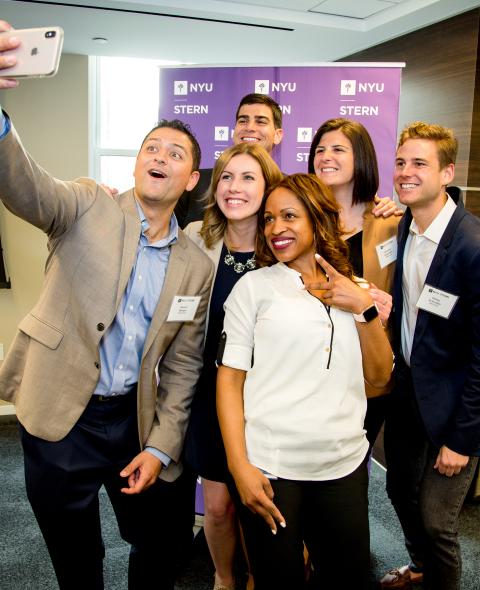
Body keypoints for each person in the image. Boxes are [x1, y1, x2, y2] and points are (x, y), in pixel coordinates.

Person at [0, 20, 214, 590]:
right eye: (151, 147)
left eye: (175, 153)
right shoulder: (89, 205)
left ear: (190, 178)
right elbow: (27, 187)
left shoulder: (195, 265)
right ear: (137, 161)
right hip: (60, 414)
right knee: (75, 554)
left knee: (161, 542)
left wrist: (160, 445)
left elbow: (184, 365)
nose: (159, 156)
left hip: (132, 421)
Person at [217, 173, 394, 590]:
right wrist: (239, 465)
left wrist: (364, 307)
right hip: (272, 470)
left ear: (318, 218)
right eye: (269, 218)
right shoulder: (253, 289)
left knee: (346, 579)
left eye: (290, 216)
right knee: (278, 580)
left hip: (343, 467)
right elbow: (228, 383)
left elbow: (381, 379)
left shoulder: (358, 290)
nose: (276, 228)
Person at [380, 122, 480, 590]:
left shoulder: (471, 245)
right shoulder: (404, 226)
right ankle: (420, 568)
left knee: (439, 521)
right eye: (400, 163)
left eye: (419, 163)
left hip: (457, 405)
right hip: (408, 391)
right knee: (399, 490)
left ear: (446, 173)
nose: (405, 172)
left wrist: (462, 439)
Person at [184, 142, 283, 590]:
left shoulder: (282, 248)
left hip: (265, 399)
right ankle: (224, 579)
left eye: (248, 178)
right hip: (208, 394)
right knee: (219, 505)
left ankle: (259, 578)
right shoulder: (193, 238)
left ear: (268, 188)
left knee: (257, 502)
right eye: (226, 176)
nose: (234, 187)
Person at [308, 118, 400, 446]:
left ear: (360, 157)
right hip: (311, 370)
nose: (325, 156)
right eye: (319, 150)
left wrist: (389, 305)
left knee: (352, 476)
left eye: (337, 149)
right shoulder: (305, 221)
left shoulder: (391, 223)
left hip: (368, 374)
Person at [174, 92, 284, 227]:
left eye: (260, 121)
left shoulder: (287, 188)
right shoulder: (195, 183)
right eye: (243, 121)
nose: (249, 128)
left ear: (278, 135)